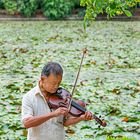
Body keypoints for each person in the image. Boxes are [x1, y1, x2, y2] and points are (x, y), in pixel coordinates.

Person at [21, 62, 93, 140]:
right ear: (42, 79)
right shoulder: (29, 97)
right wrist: (52, 114)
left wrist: (81, 118)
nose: (56, 87)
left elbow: (65, 122)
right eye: (53, 83)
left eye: (59, 83)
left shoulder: (61, 96)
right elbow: (27, 123)